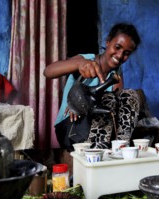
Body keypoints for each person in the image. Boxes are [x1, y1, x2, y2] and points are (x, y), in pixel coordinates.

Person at [44, 23, 141, 151]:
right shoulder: (86, 60)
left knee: (128, 95)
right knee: (108, 99)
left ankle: (121, 148)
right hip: (71, 126)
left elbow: (118, 108)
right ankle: (97, 153)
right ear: (108, 42)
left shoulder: (116, 74)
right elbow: (48, 71)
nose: (119, 55)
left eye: (126, 53)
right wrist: (80, 64)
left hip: (96, 131)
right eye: (117, 47)